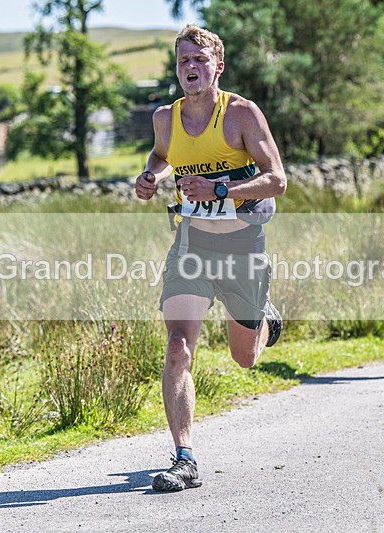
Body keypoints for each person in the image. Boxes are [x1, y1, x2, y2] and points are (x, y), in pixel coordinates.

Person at [134, 24, 286, 492]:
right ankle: (185, 457)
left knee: (245, 360)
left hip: (242, 247)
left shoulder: (241, 114)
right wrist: (150, 176)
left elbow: (276, 179)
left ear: (217, 66)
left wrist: (221, 188)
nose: (191, 68)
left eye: (199, 59)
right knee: (178, 347)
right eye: (183, 61)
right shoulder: (166, 118)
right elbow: (162, 156)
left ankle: (264, 321)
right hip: (192, 246)